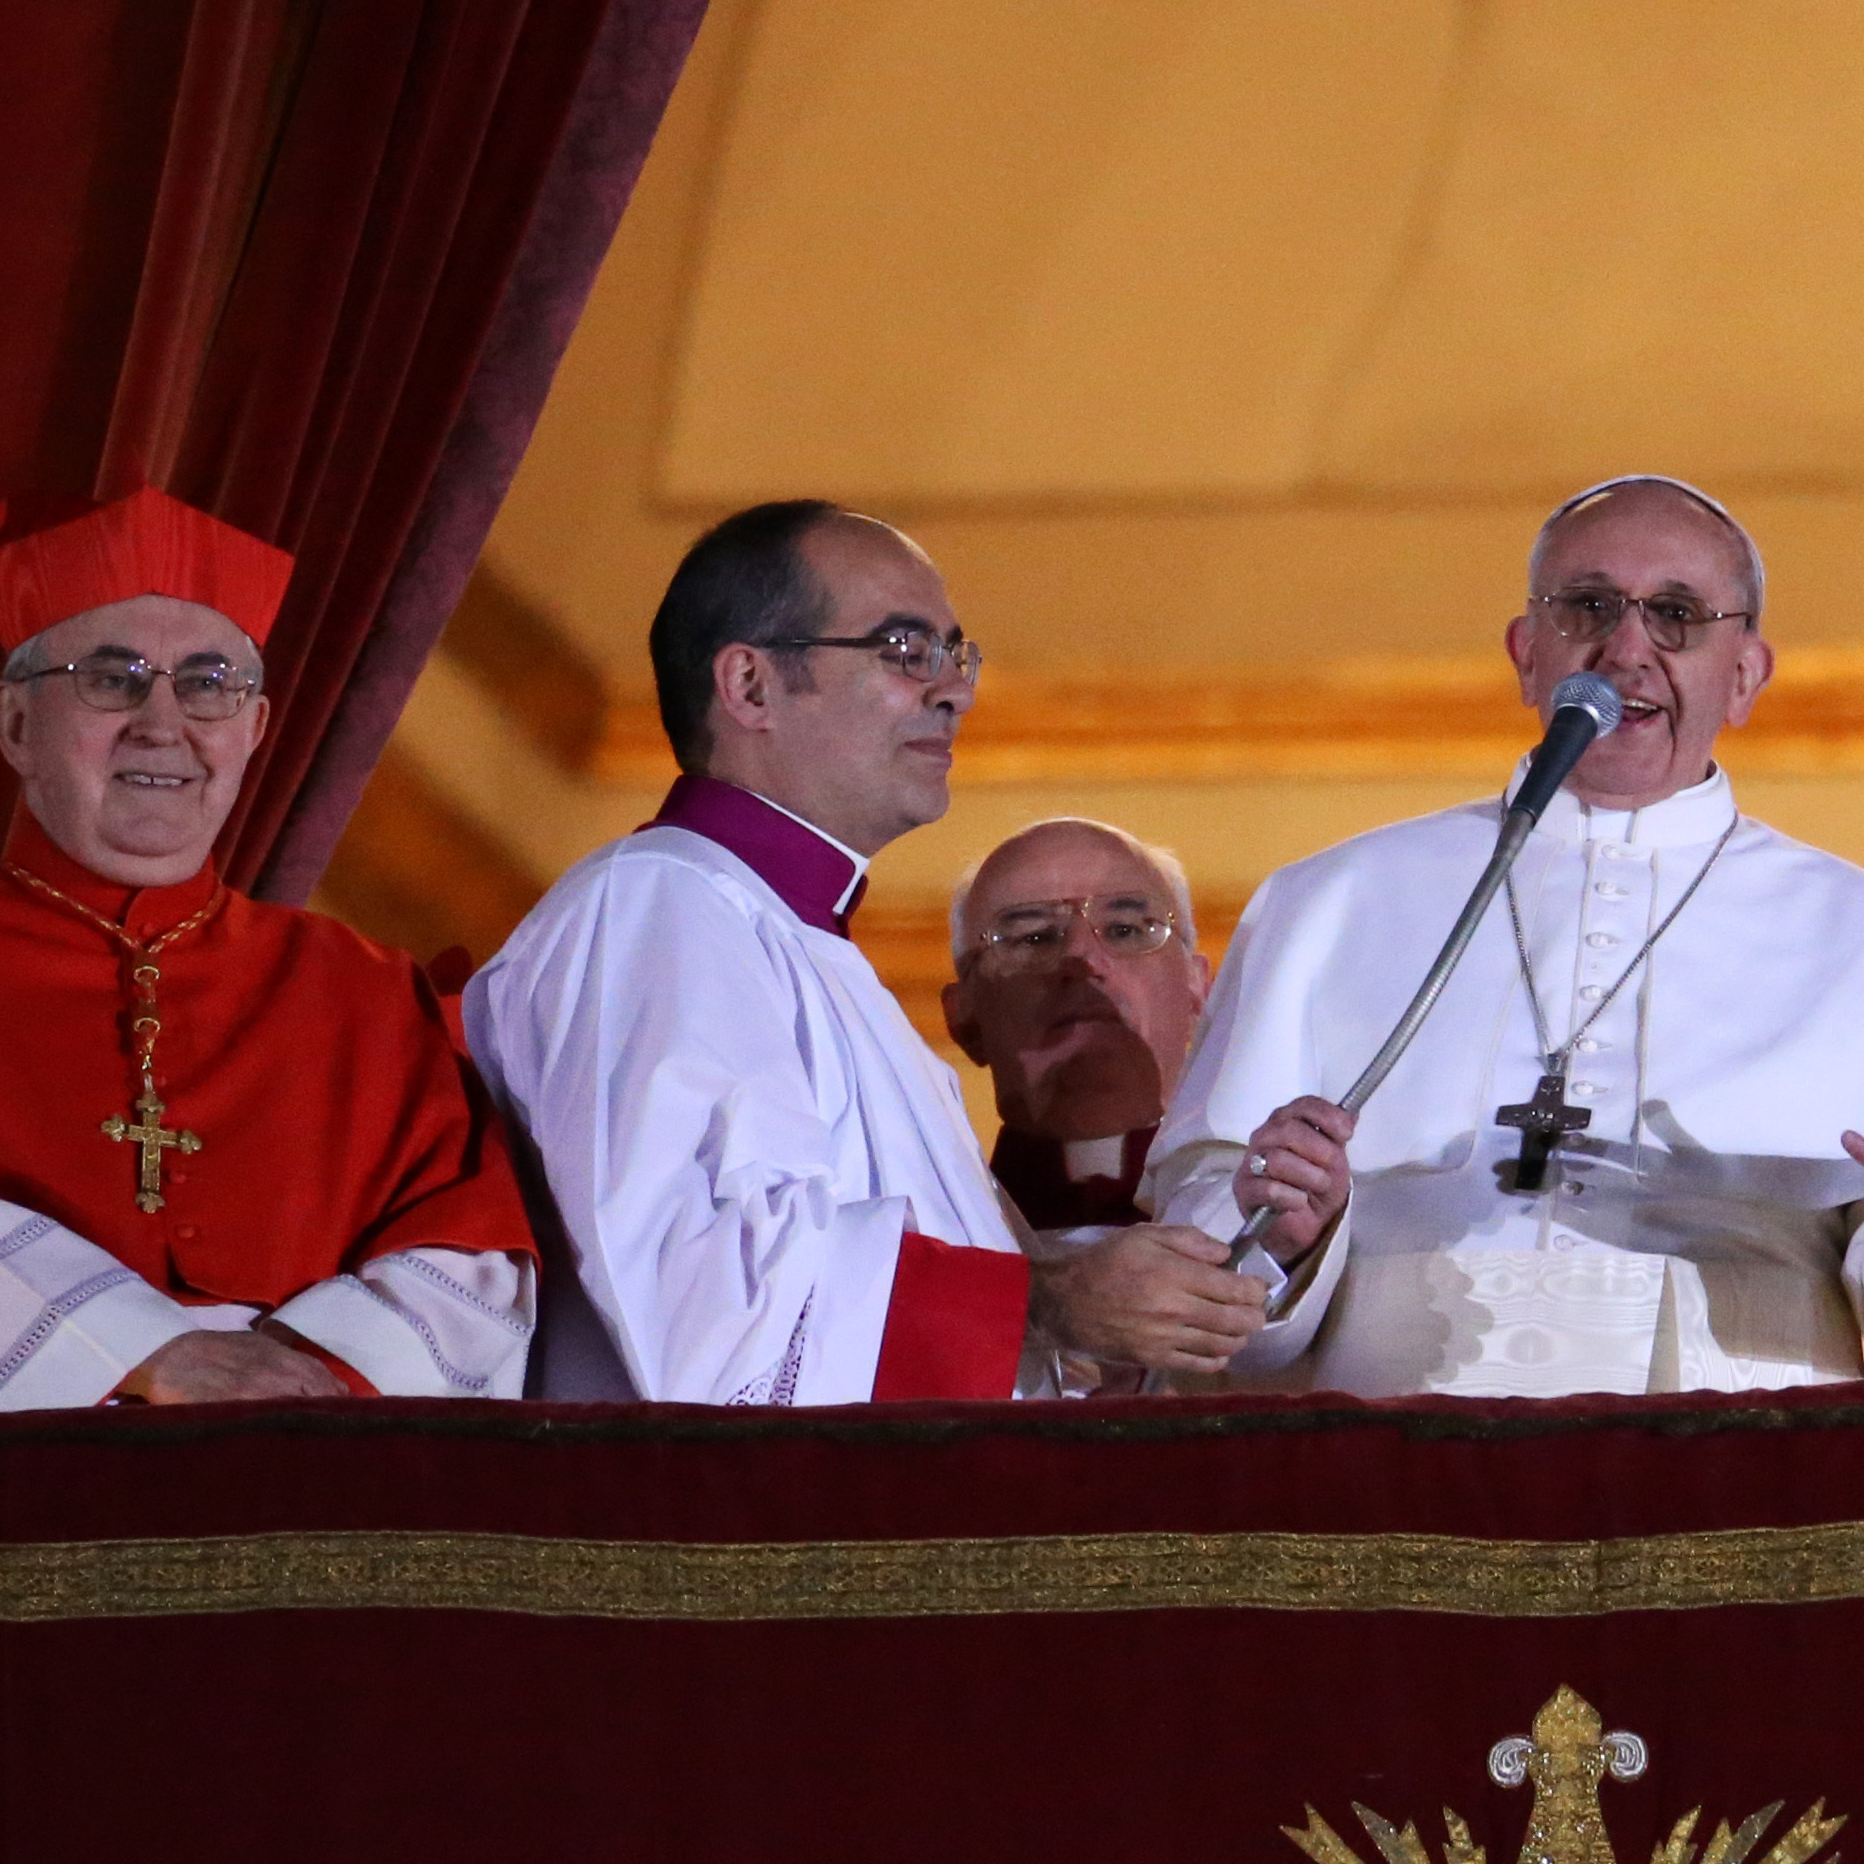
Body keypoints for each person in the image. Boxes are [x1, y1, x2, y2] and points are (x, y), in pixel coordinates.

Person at [1152, 474, 1864, 1396]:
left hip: (1748, 1455)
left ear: (1746, 674)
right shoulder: (1326, 904)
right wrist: (1281, 1235)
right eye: (1589, 606)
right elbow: (1201, 1254)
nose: (1627, 648)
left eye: (1676, 613)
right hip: (1403, 1436)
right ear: (1525, 655)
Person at [467, 502, 1276, 1402]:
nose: (954, 691)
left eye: (956, 655)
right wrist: (1041, 1303)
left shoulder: (803, 947)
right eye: (904, 650)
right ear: (750, 686)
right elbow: (695, 1298)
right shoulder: (658, 902)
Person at [0, 484, 536, 1406]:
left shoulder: (368, 989)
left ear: (255, 730)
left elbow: (474, 1246)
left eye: (211, 685)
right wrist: (142, 1357)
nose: (163, 721)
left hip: (305, 1475)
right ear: (14, 724)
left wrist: (306, 1378)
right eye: (111, 678)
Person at [942, 815, 1205, 1232]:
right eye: (1034, 937)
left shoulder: (1279, 1216)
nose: (1082, 959)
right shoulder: (925, 1232)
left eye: (1125, 930)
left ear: (1197, 988)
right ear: (963, 1016)